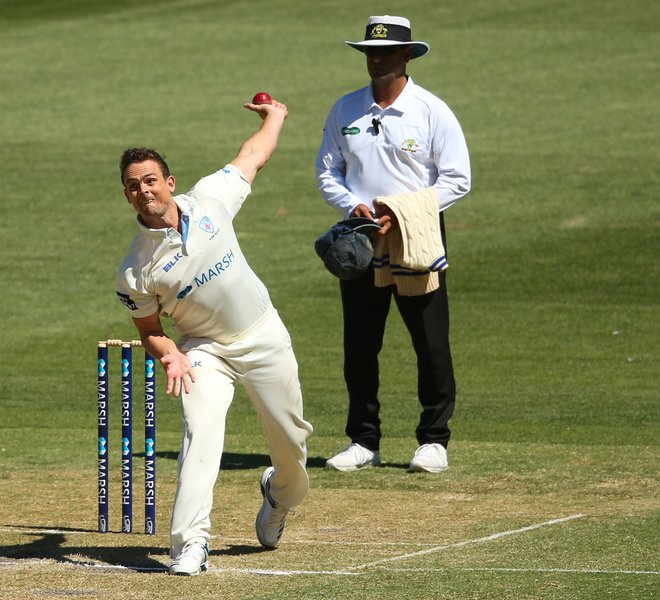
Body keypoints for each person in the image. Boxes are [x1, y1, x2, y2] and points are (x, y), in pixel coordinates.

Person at [115, 98, 313, 576]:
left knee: (293, 455)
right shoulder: (134, 268)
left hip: (263, 334)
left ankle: (278, 497)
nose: (143, 191)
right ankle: (189, 545)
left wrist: (276, 117)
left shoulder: (209, 199)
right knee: (200, 433)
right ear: (126, 195)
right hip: (204, 352)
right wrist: (170, 358)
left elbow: (252, 156)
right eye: (132, 186)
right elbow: (150, 332)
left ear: (169, 183)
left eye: (150, 181)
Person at [316, 15, 471, 474]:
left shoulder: (431, 110)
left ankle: (434, 441)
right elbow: (328, 172)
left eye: (384, 51)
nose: (375, 57)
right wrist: (355, 206)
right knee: (360, 344)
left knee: (430, 342)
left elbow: (458, 180)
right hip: (362, 239)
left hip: (416, 236)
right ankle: (364, 440)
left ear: (407, 55)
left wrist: (400, 211)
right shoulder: (345, 109)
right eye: (369, 50)